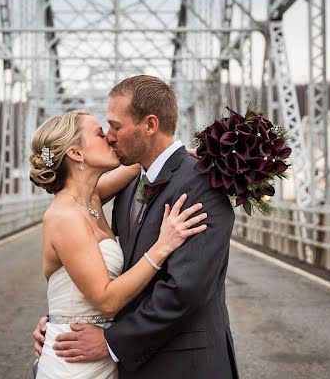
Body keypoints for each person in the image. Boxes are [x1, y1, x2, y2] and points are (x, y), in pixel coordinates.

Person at [33, 75, 239, 379]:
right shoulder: (121, 191)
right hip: (114, 360)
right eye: (103, 131)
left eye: (115, 127)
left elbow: (185, 290)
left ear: (150, 125)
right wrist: (59, 320)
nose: (110, 137)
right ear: (75, 154)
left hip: (185, 367)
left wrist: (110, 341)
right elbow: (103, 286)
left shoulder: (201, 184)